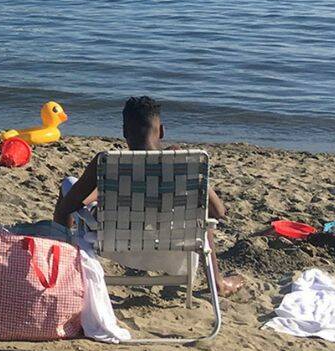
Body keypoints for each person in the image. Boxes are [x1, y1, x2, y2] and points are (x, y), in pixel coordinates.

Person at [53, 95, 244, 296]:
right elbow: (219, 212)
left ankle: (59, 272)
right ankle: (218, 283)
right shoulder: (184, 163)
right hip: (175, 247)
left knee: (68, 183)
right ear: (161, 131)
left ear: (124, 132)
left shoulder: (107, 163)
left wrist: (103, 189)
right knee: (201, 217)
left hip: (114, 244)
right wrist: (192, 170)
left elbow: (69, 206)